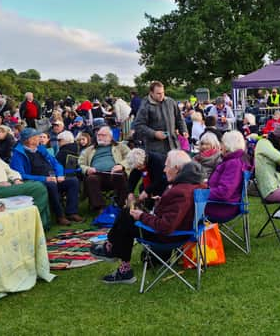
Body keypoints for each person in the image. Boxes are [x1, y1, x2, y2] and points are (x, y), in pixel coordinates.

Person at [90, 150, 203, 284]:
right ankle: (112, 250)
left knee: (127, 215)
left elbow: (166, 227)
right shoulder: (194, 185)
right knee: (128, 214)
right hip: (183, 232)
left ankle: (115, 255)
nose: (164, 170)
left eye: (166, 166)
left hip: (169, 237)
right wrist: (161, 202)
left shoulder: (180, 191)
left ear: (176, 169)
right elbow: (178, 212)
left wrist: (142, 216)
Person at [10, 128, 82, 226]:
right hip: (38, 182)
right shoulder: (18, 154)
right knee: (51, 185)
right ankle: (60, 216)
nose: (39, 139)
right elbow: (20, 175)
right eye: (36, 137)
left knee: (73, 181)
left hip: (53, 177)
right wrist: (45, 179)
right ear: (29, 140)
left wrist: (59, 175)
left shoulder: (40, 149)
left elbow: (56, 163)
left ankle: (71, 212)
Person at [133, 81, 188, 198]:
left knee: (176, 172)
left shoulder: (170, 102)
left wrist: (183, 130)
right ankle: (155, 201)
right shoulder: (145, 106)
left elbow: (179, 118)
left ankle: (176, 197)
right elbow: (138, 125)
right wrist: (154, 133)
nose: (161, 96)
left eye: (163, 93)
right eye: (158, 93)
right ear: (151, 93)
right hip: (155, 149)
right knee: (159, 177)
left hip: (173, 145)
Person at [79, 125, 131, 211]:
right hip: (97, 175)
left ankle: (121, 204)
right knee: (91, 179)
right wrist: (87, 169)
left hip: (113, 174)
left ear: (110, 137)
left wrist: (121, 165)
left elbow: (130, 157)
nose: (100, 137)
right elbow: (81, 163)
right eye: (98, 135)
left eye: (103, 135)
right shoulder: (88, 150)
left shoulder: (120, 146)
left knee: (119, 174)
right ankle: (100, 207)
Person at [205, 131, 246, 221]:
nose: (220, 146)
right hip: (220, 204)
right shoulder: (233, 161)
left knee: (185, 201)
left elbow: (224, 192)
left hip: (222, 207)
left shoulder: (233, 163)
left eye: (222, 143)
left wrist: (202, 193)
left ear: (228, 145)